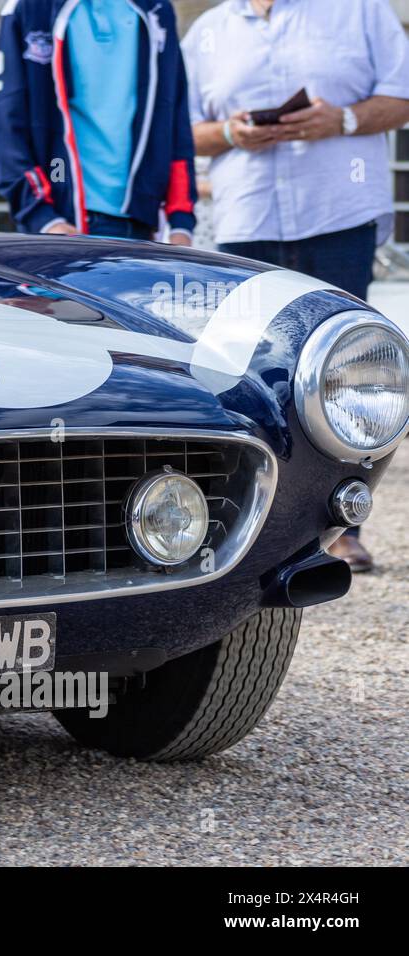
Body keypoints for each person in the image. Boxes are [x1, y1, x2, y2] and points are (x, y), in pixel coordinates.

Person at [183, 0, 409, 573]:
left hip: (338, 216)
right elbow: (182, 133)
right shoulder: (208, 32)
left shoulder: (361, 11)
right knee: (247, 381)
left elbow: (401, 97)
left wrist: (344, 121)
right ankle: (251, 530)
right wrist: (231, 131)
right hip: (245, 224)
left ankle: (342, 525)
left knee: (344, 379)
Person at [0, 0, 196, 243]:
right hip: (61, 223)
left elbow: (177, 120)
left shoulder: (157, 9)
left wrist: (180, 221)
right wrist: (42, 217)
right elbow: (9, 124)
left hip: (141, 225)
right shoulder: (30, 7)